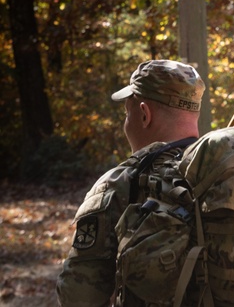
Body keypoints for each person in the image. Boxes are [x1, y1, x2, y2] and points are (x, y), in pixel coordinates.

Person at [57, 59, 205, 306]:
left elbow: (79, 296)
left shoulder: (120, 185)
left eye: (128, 113)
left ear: (145, 114)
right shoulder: (225, 174)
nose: (126, 122)